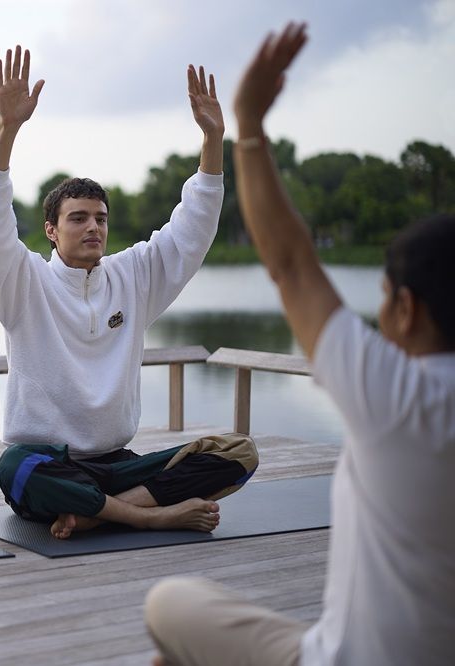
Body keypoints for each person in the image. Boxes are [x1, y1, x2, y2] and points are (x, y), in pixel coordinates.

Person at [144, 23, 455, 666]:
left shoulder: (400, 398)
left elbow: (290, 264)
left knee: (170, 604)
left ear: (404, 307)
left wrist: (248, 127)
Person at [0, 46, 258, 540]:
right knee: (13, 467)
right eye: (78, 218)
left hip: (117, 465)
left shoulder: (133, 276)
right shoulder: (24, 283)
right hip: (50, 464)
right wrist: (7, 129)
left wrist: (212, 141)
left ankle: (93, 514)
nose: (93, 227)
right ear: (52, 231)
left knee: (238, 453)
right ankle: (148, 515)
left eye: (100, 218)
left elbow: (192, 230)